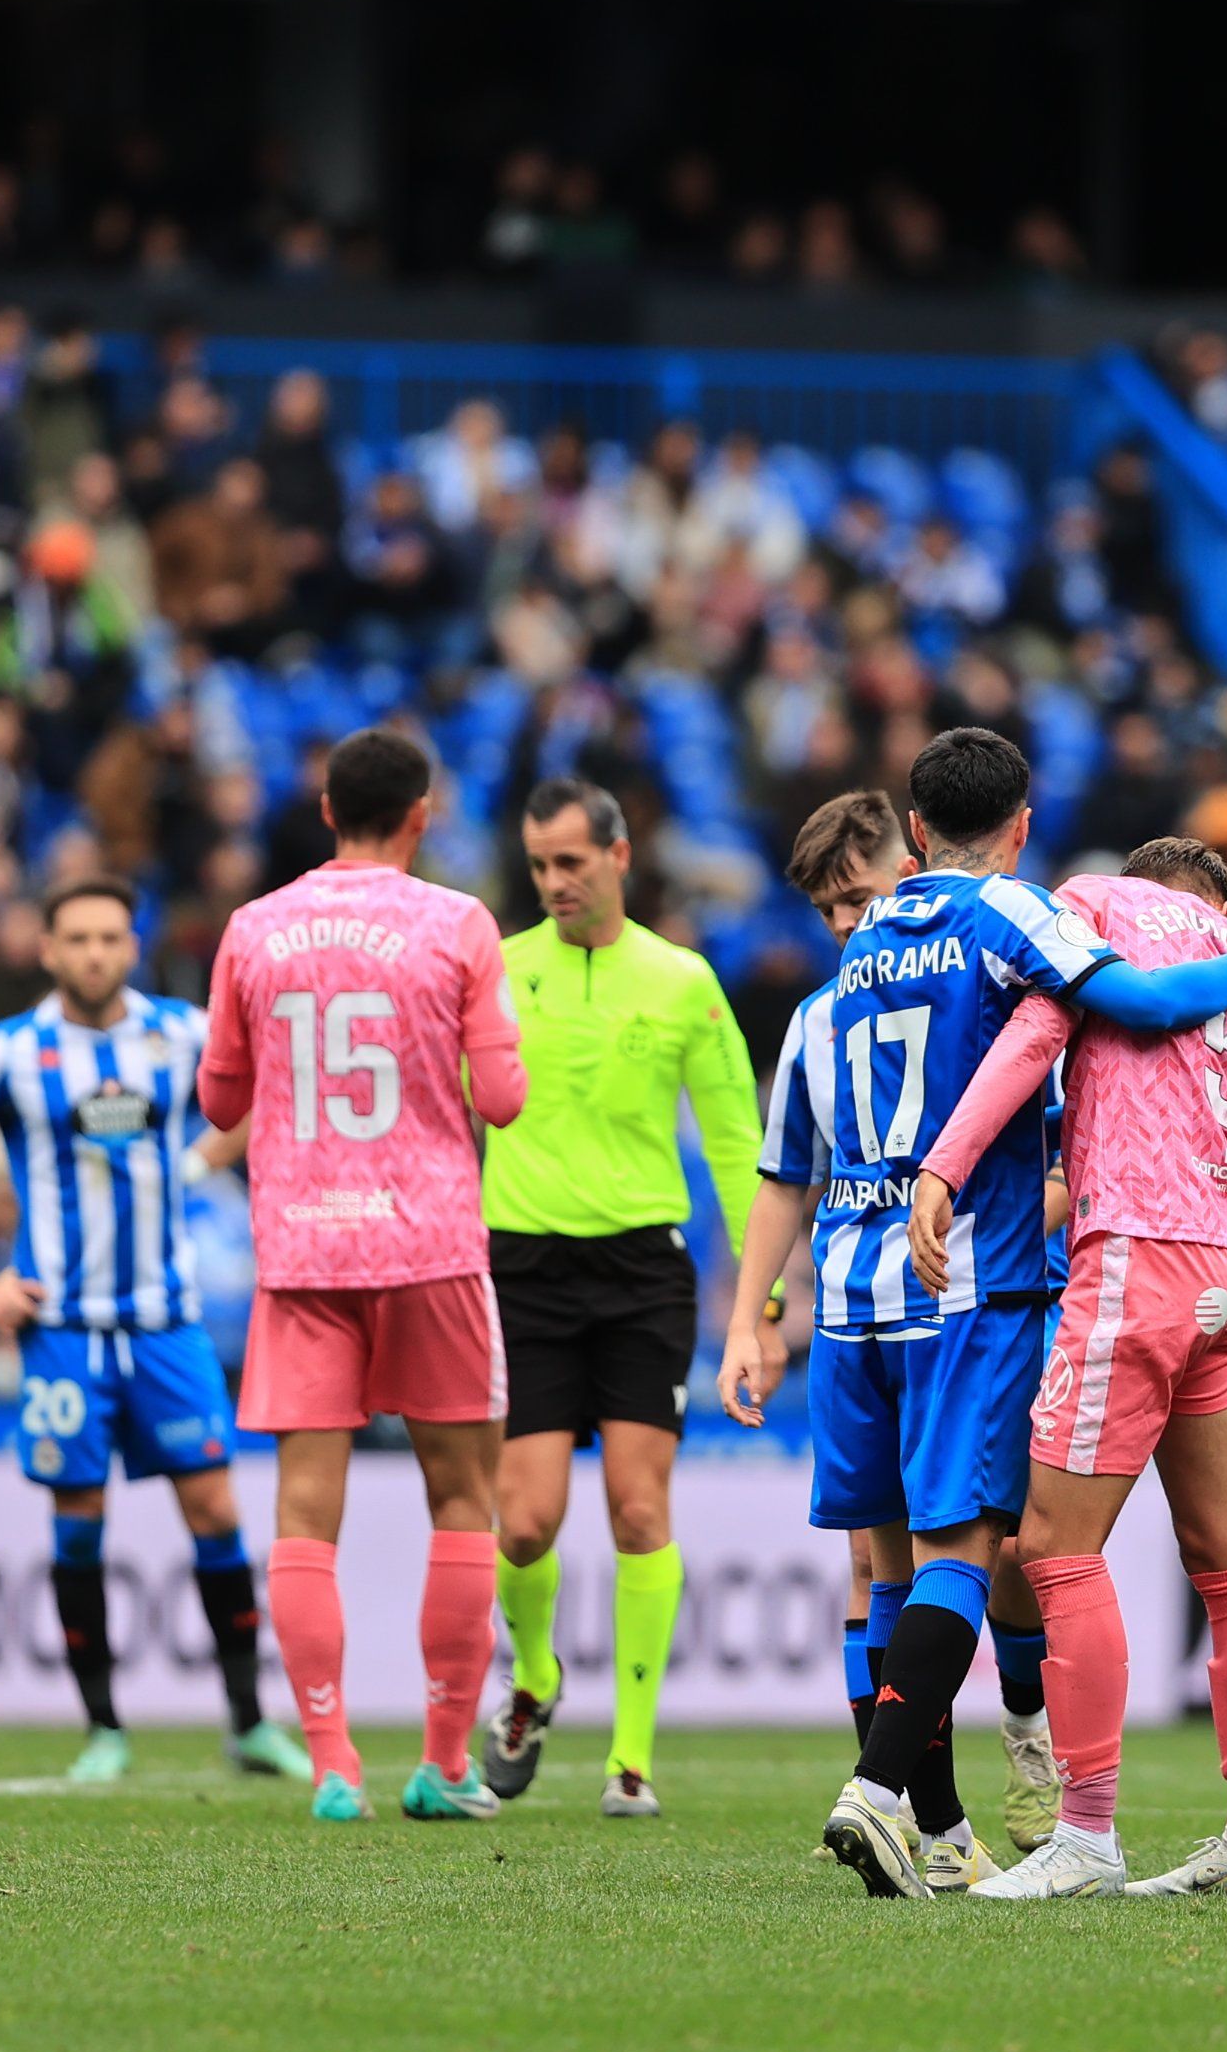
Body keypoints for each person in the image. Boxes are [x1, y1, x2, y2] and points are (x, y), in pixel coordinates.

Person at [786, 729, 1227, 1899]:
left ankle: (940, 1827)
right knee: (974, 1550)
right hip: (969, 1284)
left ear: (912, 829)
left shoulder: (855, 954)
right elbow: (1140, 1005)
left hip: (852, 1285)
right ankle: (879, 1788)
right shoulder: (1009, 914)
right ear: (1021, 823)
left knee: (890, 1569)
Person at [903, 837, 1227, 1900]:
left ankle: (1084, 1836)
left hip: (1134, 1258)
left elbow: (1038, 1031)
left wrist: (942, 1165)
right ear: (1215, 901)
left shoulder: (1096, 912)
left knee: (1053, 1552)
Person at [725, 788, 1071, 1868]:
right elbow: (786, 1178)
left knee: (1000, 1552)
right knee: (911, 1563)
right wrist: (750, 1315)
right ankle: (927, 1818)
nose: (846, 927)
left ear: (912, 865)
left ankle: (1022, 1728)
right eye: (827, 910)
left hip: (960, 1292)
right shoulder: (825, 1019)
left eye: (859, 898)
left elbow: (1065, 1163)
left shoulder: (980, 980)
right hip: (907, 1305)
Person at [196, 727, 524, 1825]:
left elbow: (219, 1104)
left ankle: (335, 1763)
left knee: (302, 1514)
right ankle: (442, 1761)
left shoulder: (254, 929)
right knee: (462, 1500)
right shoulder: (460, 923)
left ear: (327, 810)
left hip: (303, 1247)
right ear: (421, 816)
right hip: (430, 1242)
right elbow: (505, 1099)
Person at [0, 877, 303, 1788]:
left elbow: (260, 1094)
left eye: (110, 937)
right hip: (62, 1331)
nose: (94, 952)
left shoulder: (183, 1031)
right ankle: (103, 1730)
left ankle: (248, 1721)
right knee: (78, 1520)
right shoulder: (7, 1053)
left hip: (167, 1320)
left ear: (133, 945)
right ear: (48, 949)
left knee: (214, 1510)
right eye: (76, 937)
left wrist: (200, 1161)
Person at [475, 778, 764, 1820]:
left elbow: (737, 1142)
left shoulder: (683, 980)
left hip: (644, 1270)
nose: (553, 882)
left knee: (639, 1508)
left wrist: (760, 1297)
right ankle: (535, 1680)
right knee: (523, 1523)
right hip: (522, 1270)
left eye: (570, 862)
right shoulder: (498, 973)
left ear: (617, 853)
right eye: (539, 864)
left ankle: (630, 1756)